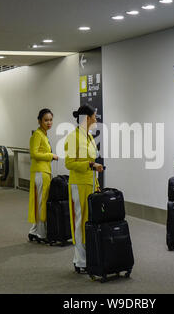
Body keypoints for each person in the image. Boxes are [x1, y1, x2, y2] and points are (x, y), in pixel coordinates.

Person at [64, 104, 103, 273]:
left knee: (88, 221)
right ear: (86, 118)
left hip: (90, 183)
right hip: (78, 184)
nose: (96, 120)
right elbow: (69, 163)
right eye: (94, 117)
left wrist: (96, 177)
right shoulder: (73, 137)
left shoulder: (89, 137)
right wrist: (90, 164)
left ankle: (88, 257)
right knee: (80, 222)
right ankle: (80, 261)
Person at [28, 108, 59, 243]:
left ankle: (34, 231)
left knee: (39, 201)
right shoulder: (38, 135)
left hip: (43, 171)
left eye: (51, 120)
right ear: (39, 121)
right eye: (46, 120)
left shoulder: (43, 135)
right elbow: (34, 154)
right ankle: (41, 233)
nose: (49, 122)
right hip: (40, 172)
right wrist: (51, 155)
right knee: (41, 202)